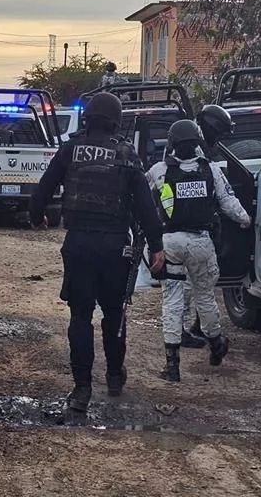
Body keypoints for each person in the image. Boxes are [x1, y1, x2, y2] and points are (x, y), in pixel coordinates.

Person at [30, 92, 166, 413]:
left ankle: (81, 389)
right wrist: (157, 246)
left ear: (87, 118)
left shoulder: (70, 150)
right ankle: (115, 377)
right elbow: (146, 208)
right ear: (116, 121)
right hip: (115, 247)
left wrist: (37, 216)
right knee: (114, 313)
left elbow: (43, 188)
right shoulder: (127, 155)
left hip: (78, 245)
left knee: (80, 317)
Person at [146, 119, 251, 382]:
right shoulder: (211, 170)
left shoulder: (159, 171)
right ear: (197, 143)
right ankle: (216, 344)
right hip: (201, 243)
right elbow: (229, 203)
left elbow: (142, 199)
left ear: (171, 143)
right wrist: (246, 220)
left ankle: (172, 368)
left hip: (169, 242)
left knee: (171, 300)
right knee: (205, 297)